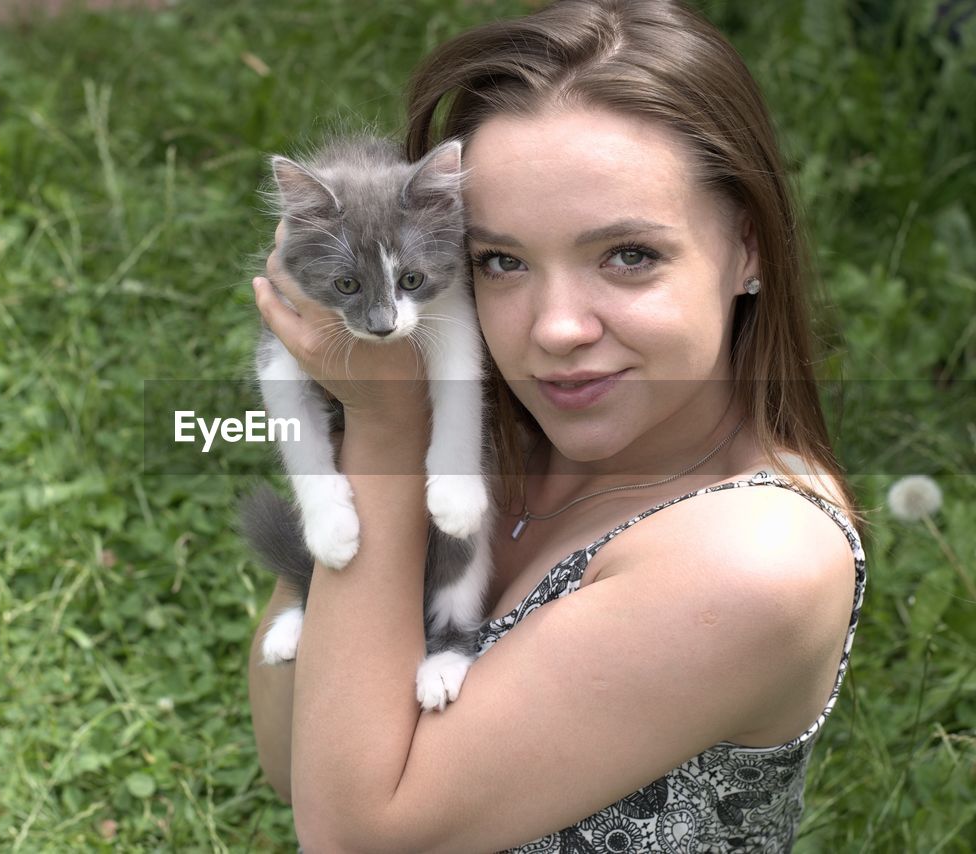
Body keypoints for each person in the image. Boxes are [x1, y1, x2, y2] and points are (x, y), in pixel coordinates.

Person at [246, 0, 867, 850]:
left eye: (629, 255)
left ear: (749, 248)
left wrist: (385, 433)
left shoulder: (756, 560)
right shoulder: (489, 434)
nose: (556, 329)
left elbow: (350, 834)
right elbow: (292, 755)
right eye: (502, 261)